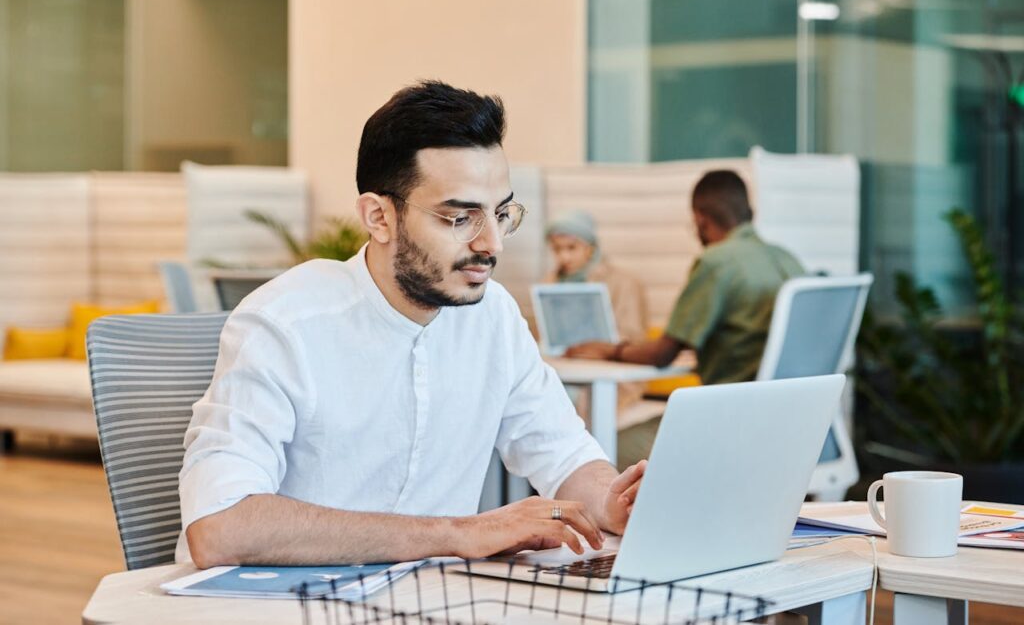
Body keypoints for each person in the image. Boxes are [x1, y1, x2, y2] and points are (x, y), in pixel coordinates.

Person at [177, 81, 645, 569]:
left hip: (431, 602)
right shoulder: (283, 323)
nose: (492, 244)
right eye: (460, 218)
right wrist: (461, 533)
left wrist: (610, 500)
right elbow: (221, 526)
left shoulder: (494, 317)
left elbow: (564, 455)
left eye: (500, 213)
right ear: (379, 216)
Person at [566, 169, 804, 466]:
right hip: (789, 426)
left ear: (700, 218)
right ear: (748, 211)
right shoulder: (788, 260)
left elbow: (663, 353)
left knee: (593, 448)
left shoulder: (717, 262)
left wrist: (609, 350)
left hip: (727, 424)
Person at [543, 209, 650, 424]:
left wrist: (597, 349)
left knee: (558, 405)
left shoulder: (624, 282)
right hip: (565, 371)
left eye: (571, 248)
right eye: (557, 249)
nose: (564, 257)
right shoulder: (549, 283)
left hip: (610, 376)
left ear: (590, 248)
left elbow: (634, 339)